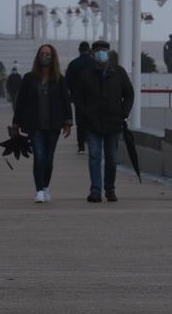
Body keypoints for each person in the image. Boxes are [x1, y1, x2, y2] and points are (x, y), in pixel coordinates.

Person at [72, 40, 134, 203]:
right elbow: (78, 98)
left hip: (113, 122)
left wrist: (124, 113)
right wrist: (85, 114)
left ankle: (110, 189)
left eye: (104, 50)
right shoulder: (86, 74)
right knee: (94, 156)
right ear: (93, 53)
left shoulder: (119, 73)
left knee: (111, 158)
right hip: (92, 123)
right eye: (98, 50)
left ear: (108, 53)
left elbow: (129, 94)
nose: (101, 53)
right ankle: (95, 190)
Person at [10, 44, 73, 203]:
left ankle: (45, 186)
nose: (45, 56)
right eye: (42, 53)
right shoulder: (29, 78)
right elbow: (21, 102)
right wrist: (16, 123)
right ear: (38, 56)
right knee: (39, 156)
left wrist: (68, 122)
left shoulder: (59, 79)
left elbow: (66, 101)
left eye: (48, 54)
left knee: (49, 159)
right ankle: (39, 191)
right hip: (34, 124)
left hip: (53, 125)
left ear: (53, 57)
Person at [64, 41, 96, 155]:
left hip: (78, 97)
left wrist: (73, 91)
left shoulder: (73, 64)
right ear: (89, 50)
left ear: (79, 50)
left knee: (80, 122)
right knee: (92, 121)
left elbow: (67, 81)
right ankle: (91, 143)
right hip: (93, 97)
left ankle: (81, 146)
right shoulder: (94, 63)